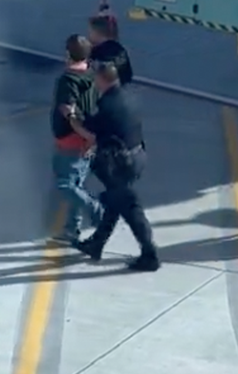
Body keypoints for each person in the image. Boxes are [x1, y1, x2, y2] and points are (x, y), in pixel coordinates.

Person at [65, 62, 159, 271]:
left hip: (120, 165)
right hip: (137, 156)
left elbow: (88, 132)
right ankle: (97, 243)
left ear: (101, 79)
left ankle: (149, 254)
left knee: (131, 210)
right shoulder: (130, 95)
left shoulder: (106, 105)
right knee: (116, 200)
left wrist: (72, 117)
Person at [50, 35, 102, 244]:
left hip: (72, 140)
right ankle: (72, 228)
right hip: (88, 139)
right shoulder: (92, 76)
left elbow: (67, 109)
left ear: (68, 54)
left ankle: (95, 208)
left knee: (65, 183)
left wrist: (74, 121)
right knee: (76, 184)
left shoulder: (67, 80)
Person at [88, 14, 134, 84]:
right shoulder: (121, 50)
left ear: (96, 33)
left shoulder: (96, 52)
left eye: (90, 32)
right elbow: (128, 75)